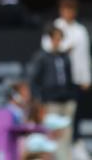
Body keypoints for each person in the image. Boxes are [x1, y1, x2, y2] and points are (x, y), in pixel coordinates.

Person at [42, 0, 91, 157]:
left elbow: (84, 56)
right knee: (54, 120)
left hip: (75, 81)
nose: (68, 13)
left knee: (73, 118)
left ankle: (72, 148)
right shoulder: (55, 27)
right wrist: (65, 47)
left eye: (71, 9)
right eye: (65, 9)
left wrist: (86, 78)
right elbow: (47, 47)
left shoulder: (81, 30)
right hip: (57, 83)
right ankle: (54, 152)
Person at [30, 25, 77, 160]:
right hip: (50, 101)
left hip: (67, 100)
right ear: (50, 39)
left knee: (66, 134)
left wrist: (72, 95)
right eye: (55, 38)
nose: (57, 41)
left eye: (59, 38)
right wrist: (38, 100)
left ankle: (65, 158)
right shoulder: (42, 57)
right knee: (52, 134)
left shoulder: (65, 57)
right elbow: (34, 80)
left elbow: (69, 77)